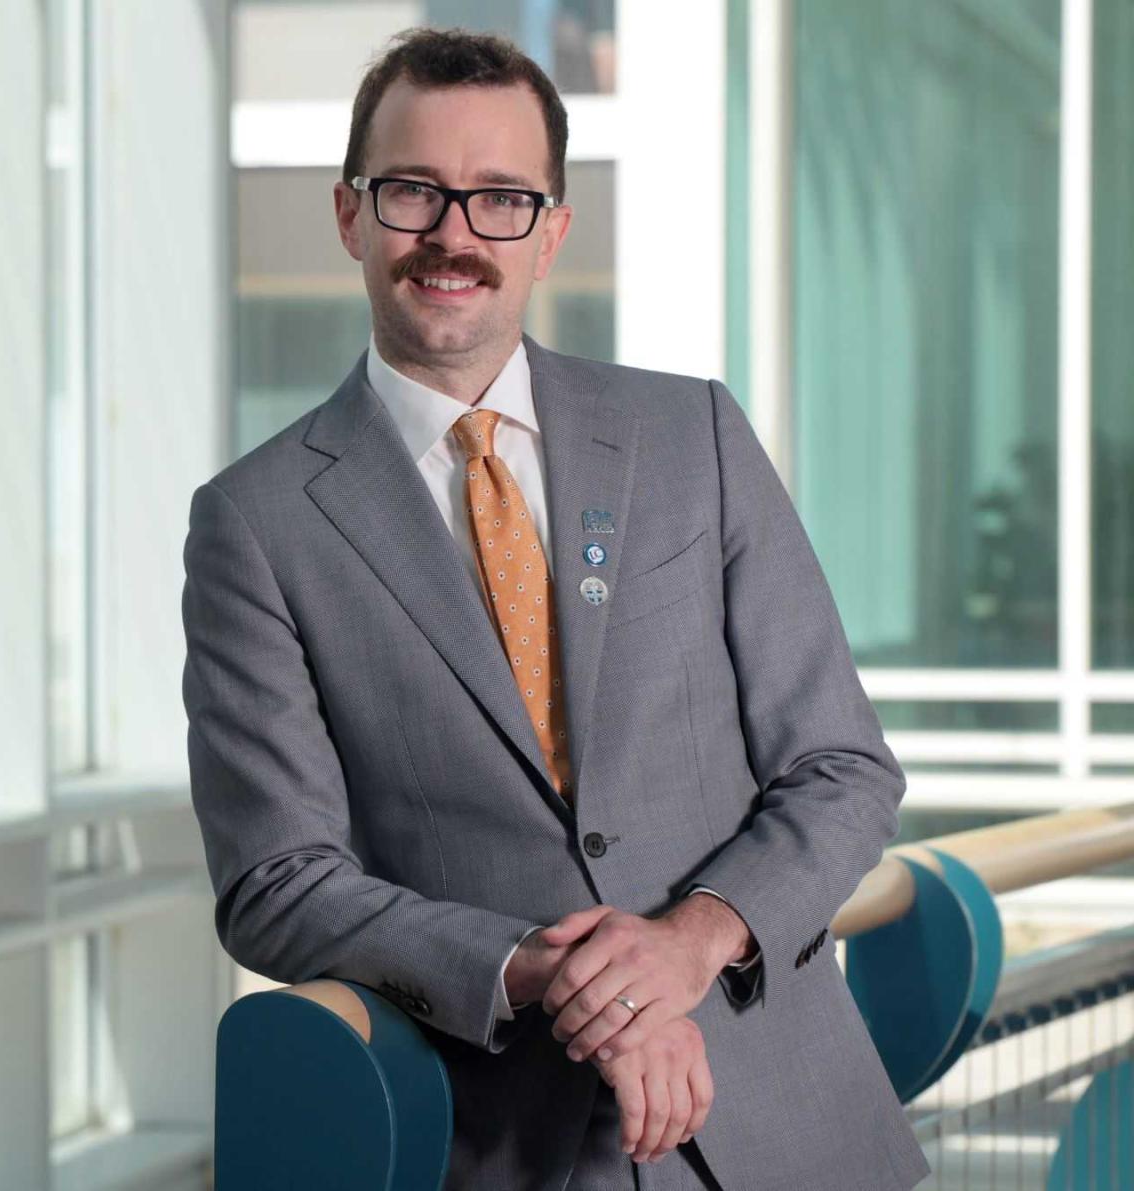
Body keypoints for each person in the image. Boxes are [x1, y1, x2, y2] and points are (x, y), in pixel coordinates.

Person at [181, 25, 930, 1191]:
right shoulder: (257, 523)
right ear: (348, 215)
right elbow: (277, 883)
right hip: (512, 1146)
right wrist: (543, 970)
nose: (452, 235)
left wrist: (688, 944)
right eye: (412, 192)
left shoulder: (694, 439)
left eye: (500, 199)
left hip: (791, 1126)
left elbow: (840, 767)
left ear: (552, 232)